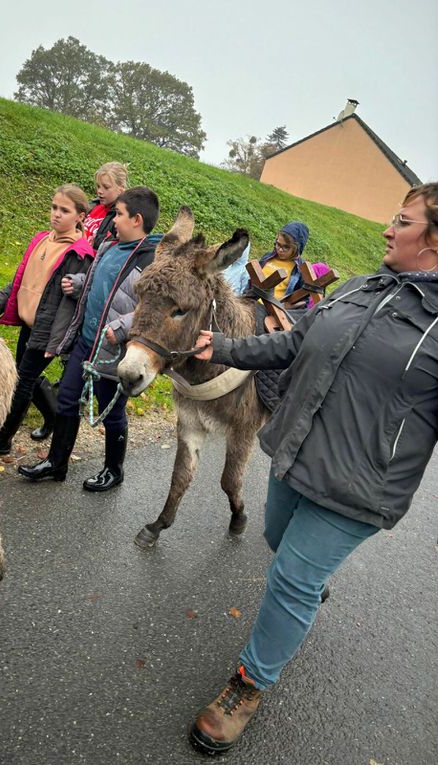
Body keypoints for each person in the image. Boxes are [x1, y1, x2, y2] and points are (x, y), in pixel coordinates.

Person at [189, 182, 438, 754]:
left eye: (401, 220)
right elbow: (293, 343)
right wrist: (220, 348)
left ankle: (248, 686)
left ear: (433, 239)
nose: (387, 228)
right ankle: (307, 585)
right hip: (296, 451)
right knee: (278, 539)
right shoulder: (359, 288)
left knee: (292, 579)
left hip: (360, 485)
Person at [18, 186, 161, 492]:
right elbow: (101, 283)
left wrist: (121, 329)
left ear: (136, 220)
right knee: (67, 399)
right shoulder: (110, 246)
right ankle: (57, 464)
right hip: (86, 343)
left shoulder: (150, 262)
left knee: (112, 411)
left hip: (114, 353)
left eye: (119, 214)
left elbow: (151, 310)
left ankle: (113, 470)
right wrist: (80, 283)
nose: (113, 219)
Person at [0, 184, 95, 457]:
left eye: (64, 210)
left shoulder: (79, 254)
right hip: (29, 322)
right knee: (24, 373)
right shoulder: (42, 239)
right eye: (54, 207)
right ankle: (52, 416)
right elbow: (23, 277)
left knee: (22, 380)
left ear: (80, 216)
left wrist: (57, 340)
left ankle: (3, 439)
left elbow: (78, 298)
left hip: (49, 328)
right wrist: (2, 299)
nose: (56, 214)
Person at [259, 221, 310, 302]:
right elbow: (251, 282)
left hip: (272, 309)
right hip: (251, 301)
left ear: (296, 248)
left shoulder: (301, 269)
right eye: (278, 244)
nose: (280, 250)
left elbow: (303, 301)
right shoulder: (267, 257)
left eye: (286, 247)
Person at [83, 162, 129, 250]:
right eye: (98, 186)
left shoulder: (120, 218)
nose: (99, 191)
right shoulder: (92, 206)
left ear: (121, 189)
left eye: (106, 187)